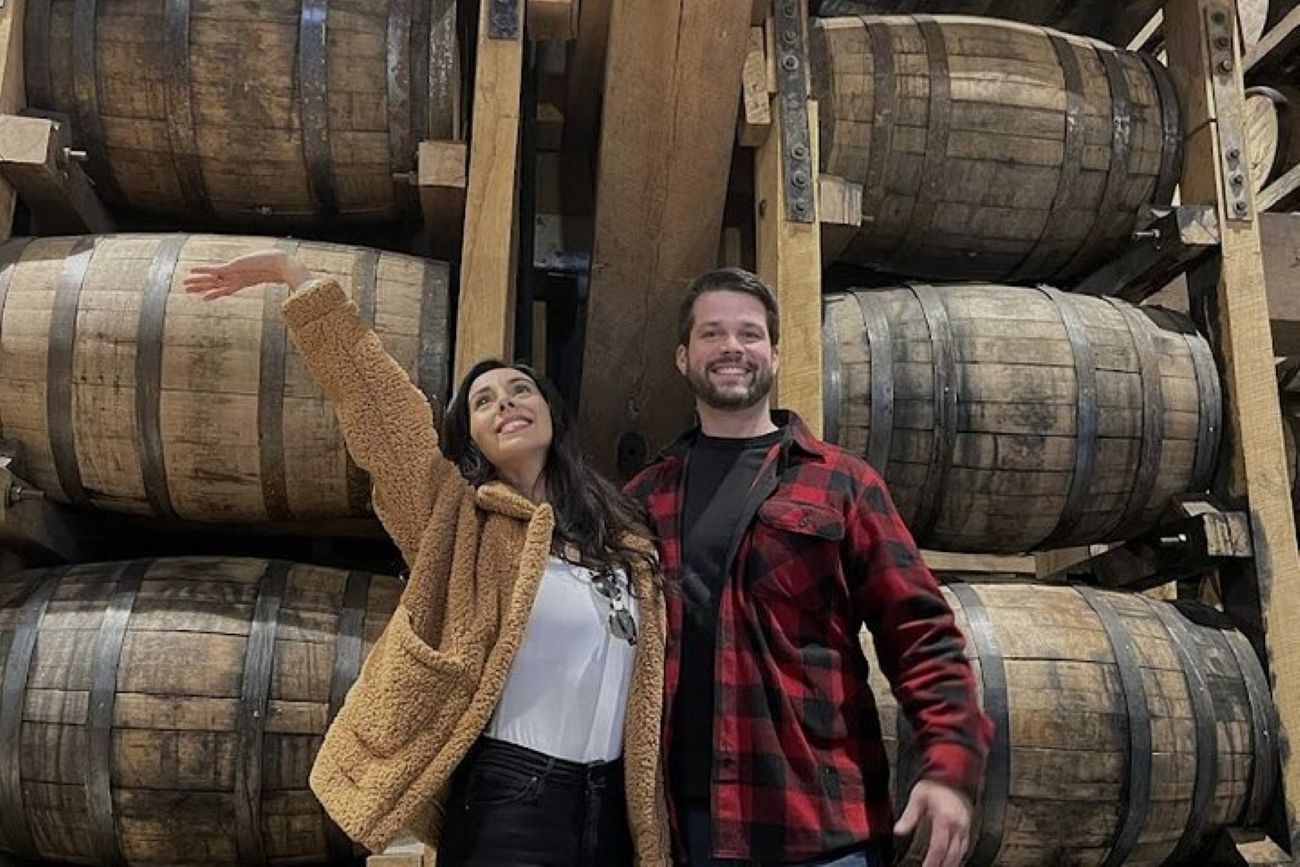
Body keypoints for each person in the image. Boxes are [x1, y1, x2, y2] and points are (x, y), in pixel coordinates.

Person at [184, 249, 670, 867]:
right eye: (485, 401)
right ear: (472, 439)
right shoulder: (458, 520)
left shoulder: (623, 540)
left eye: (521, 390)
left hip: (613, 812)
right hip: (513, 802)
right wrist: (296, 277)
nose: (506, 403)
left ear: (551, 411)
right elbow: (382, 415)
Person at [624, 268, 993, 867]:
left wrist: (951, 763)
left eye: (749, 333)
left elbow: (920, 632)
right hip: (687, 833)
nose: (732, 348)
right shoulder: (643, 498)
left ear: (774, 353)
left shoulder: (842, 483)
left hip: (819, 828)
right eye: (712, 334)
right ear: (683, 357)